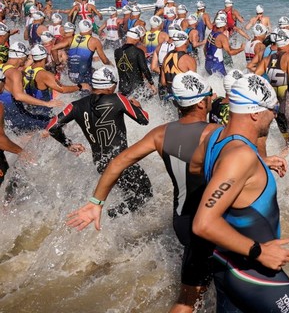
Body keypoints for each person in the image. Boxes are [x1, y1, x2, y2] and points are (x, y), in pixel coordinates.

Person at [66, 71, 220, 313]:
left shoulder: (160, 133)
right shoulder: (216, 133)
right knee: (214, 292)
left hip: (181, 221)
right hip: (211, 222)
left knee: (192, 292)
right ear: (202, 102)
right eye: (210, 95)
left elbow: (117, 162)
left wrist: (96, 202)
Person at [191, 74, 289, 313]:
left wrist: (257, 165)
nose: (275, 115)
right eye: (272, 109)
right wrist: (259, 251)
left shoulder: (214, 137)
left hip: (225, 263)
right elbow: (203, 223)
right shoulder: (241, 157)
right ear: (254, 113)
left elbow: (195, 169)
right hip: (254, 272)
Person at [48, 66, 153, 216]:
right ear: (110, 86)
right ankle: (111, 216)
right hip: (121, 161)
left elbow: (52, 127)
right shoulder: (118, 99)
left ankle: (115, 220)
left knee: (130, 195)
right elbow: (144, 120)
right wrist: (138, 106)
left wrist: (68, 144)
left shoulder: (76, 105)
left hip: (101, 163)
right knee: (145, 193)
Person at [252, 29, 289, 153]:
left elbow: (254, 79)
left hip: (277, 109)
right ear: (288, 42)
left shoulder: (267, 59)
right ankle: (278, 159)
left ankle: (284, 169)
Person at [114, 27, 156, 97]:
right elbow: (144, 69)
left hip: (122, 89)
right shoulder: (138, 52)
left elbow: (124, 67)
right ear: (136, 39)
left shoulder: (117, 51)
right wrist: (151, 83)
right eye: (139, 39)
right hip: (137, 89)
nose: (139, 41)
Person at [67, 19, 111, 85]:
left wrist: (57, 62)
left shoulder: (71, 39)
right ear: (90, 29)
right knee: (102, 77)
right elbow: (105, 61)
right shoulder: (94, 41)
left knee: (93, 69)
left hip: (71, 76)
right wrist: (112, 67)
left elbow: (54, 49)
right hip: (84, 77)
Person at [160, 31, 198, 99]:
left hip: (169, 95)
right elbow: (194, 84)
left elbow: (163, 82)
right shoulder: (188, 59)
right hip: (183, 98)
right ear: (185, 42)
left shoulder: (166, 57)